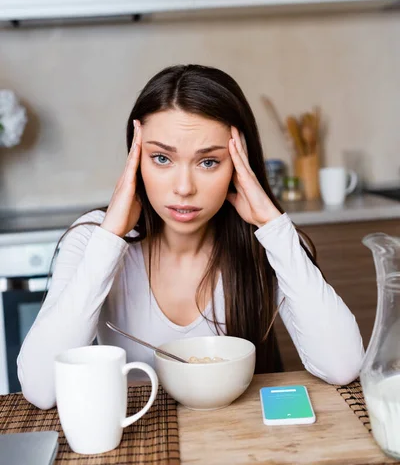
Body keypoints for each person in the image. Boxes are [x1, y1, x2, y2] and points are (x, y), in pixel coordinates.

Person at [18, 64, 364, 410]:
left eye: (209, 162)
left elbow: (342, 366)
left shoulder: (269, 241)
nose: (184, 188)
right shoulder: (94, 238)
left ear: (239, 165)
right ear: (135, 160)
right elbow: (41, 388)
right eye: (162, 158)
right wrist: (110, 237)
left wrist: (273, 226)